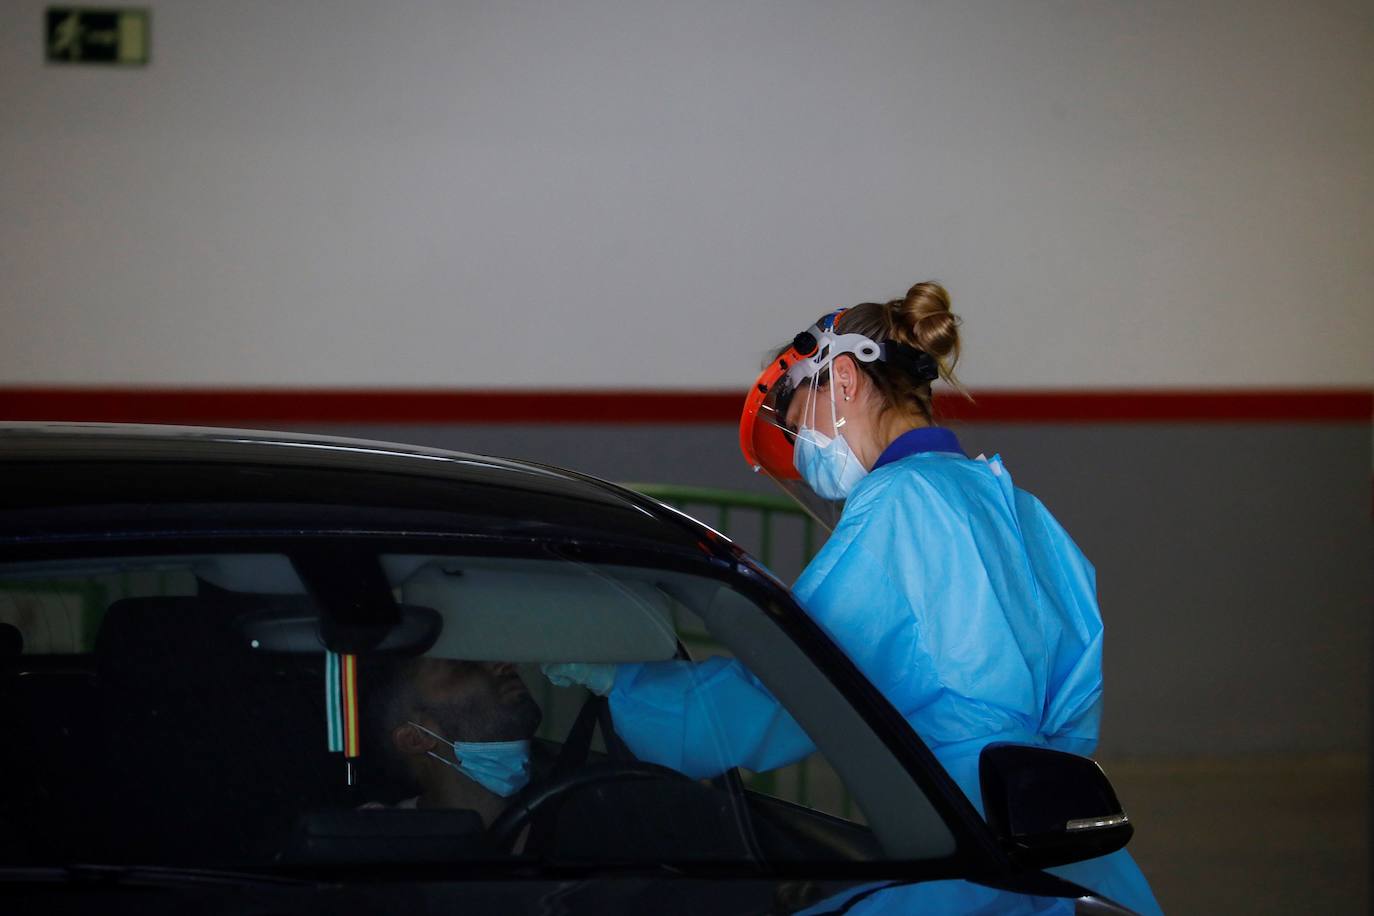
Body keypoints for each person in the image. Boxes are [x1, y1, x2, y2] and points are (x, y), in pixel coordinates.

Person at [545, 282, 1162, 915]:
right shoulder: (1017, 506)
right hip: (1069, 849)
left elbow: (794, 686)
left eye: (796, 421)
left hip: (966, 848)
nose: (799, 447)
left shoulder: (896, 505)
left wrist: (622, 687)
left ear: (842, 378)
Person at [365, 657, 543, 827]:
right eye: (461, 664)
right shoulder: (385, 841)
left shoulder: (559, 803)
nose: (505, 664)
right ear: (416, 738)